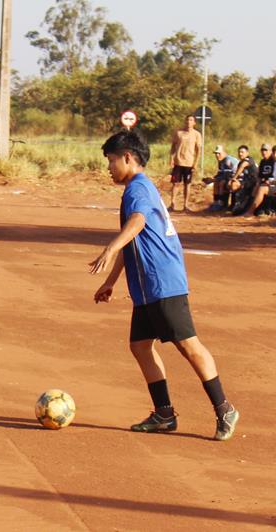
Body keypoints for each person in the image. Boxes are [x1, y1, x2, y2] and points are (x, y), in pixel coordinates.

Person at [90, 129, 239, 441]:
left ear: (128, 158)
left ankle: (224, 408)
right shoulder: (137, 188)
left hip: (163, 283)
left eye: (112, 160)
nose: (109, 167)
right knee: (140, 346)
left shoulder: (137, 189)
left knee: (188, 345)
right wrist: (111, 281)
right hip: (147, 287)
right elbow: (135, 241)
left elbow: (137, 223)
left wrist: (109, 248)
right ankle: (164, 413)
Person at [167, 114, 202, 212]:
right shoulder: (179, 133)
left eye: (191, 120)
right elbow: (173, 146)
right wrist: (171, 159)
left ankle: (185, 205)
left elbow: (198, 150)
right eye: (187, 120)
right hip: (178, 162)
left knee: (187, 184)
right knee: (175, 184)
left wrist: (196, 163)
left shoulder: (197, 135)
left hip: (189, 163)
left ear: (194, 123)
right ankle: (172, 204)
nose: (189, 122)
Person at [243, 143, 276, 217]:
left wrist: (269, 181)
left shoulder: (273, 161)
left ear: (270, 151)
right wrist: (258, 182)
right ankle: (257, 209)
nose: (264, 152)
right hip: (267, 183)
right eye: (262, 150)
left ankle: (250, 212)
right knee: (255, 187)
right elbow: (260, 176)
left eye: (266, 150)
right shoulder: (263, 162)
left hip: (271, 184)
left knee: (261, 188)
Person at [204, 145, 238, 212]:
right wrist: (212, 179)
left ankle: (223, 203)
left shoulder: (229, 160)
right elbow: (221, 173)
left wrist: (215, 179)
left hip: (235, 178)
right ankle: (217, 202)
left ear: (224, 153)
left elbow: (234, 173)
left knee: (222, 183)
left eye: (219, 153)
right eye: (216, 153)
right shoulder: (220, 162)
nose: (217, 155)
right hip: (227, 178)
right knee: (216, 183)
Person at [229, 145, 259, 215]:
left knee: (234, 183)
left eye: (242, 152)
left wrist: (234, 179)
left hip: (254, 182)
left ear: (247, 153)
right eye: (239, 152)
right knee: (233, 184)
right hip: (246, 182)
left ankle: (244, 207)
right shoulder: (240, 162)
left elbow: (243, 166)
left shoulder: (249, 159)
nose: (240, 154)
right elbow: (240, 174)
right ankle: (234, 205)